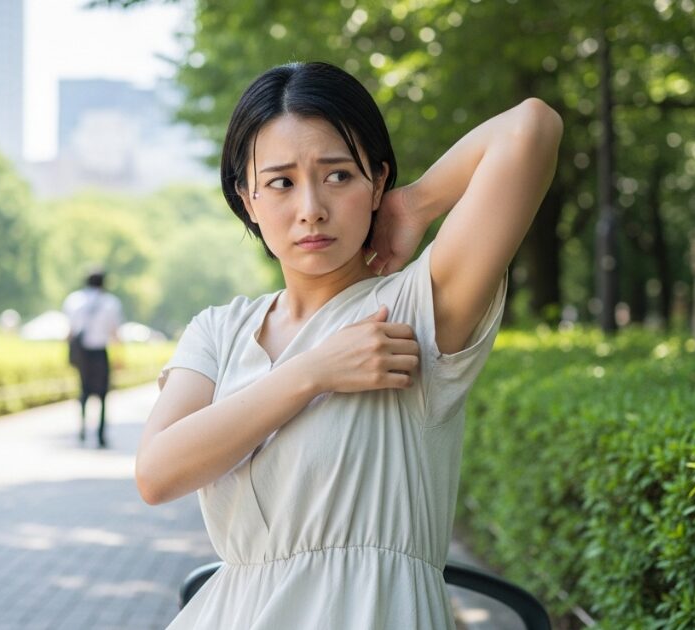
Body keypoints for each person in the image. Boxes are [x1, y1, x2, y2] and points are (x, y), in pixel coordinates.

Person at [136, 62, 561, 629]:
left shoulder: (420, 308)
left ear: (377, 181)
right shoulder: (220, 330)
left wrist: (414, 205)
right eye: (281, 182)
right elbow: (157, 473)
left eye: (337, 175)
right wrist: (313, 372)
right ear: (248, 198)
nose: (311, 206)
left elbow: (531, 128)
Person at [62, 269, 123, 448]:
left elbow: (69, 332)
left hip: (81, 352)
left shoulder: (74, 300)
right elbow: (114, 333)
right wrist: (120, 357)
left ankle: (82, 429)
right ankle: (100, 434)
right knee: (103, 394)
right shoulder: (110, 302)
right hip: (99, 351)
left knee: (83, 391)